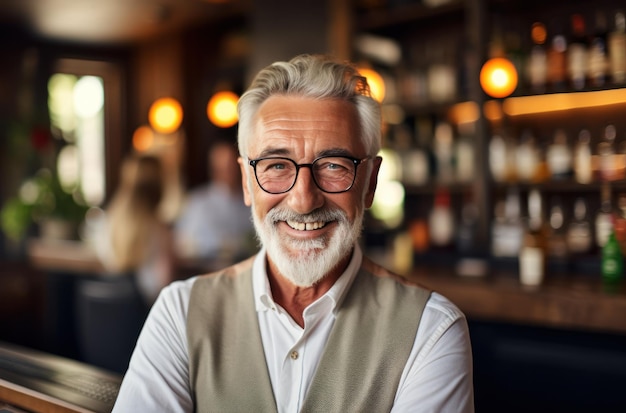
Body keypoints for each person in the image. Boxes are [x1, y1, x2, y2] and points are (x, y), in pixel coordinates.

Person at [113, 54, 474, 412]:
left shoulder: (431, 330)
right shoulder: (180, 313)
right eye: (276, 165)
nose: (303, 200)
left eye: (333, 165)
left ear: (370, 182)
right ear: (246, 182)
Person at [89, 153, 176, 307]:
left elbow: (102, 261)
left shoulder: (109, 220)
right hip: (143, 318)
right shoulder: (159, 229)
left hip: (108, 316)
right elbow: (164, 284)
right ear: (160, 186)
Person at [174, 140, 254, 261]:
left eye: (230, 166)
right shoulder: (197, 202)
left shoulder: (250, 202)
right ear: (213, 169)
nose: (228, 172)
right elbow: (182, 243)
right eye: (222, 168)